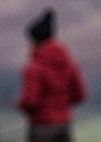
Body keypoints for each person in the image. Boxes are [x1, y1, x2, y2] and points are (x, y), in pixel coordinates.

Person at [16, 8, 86, 142]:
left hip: (41, 128)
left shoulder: (34, 68)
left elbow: (31, 101)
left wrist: (20, 103)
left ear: (35, 41)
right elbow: (79, 95)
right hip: (64, 126)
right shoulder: (69, 64)